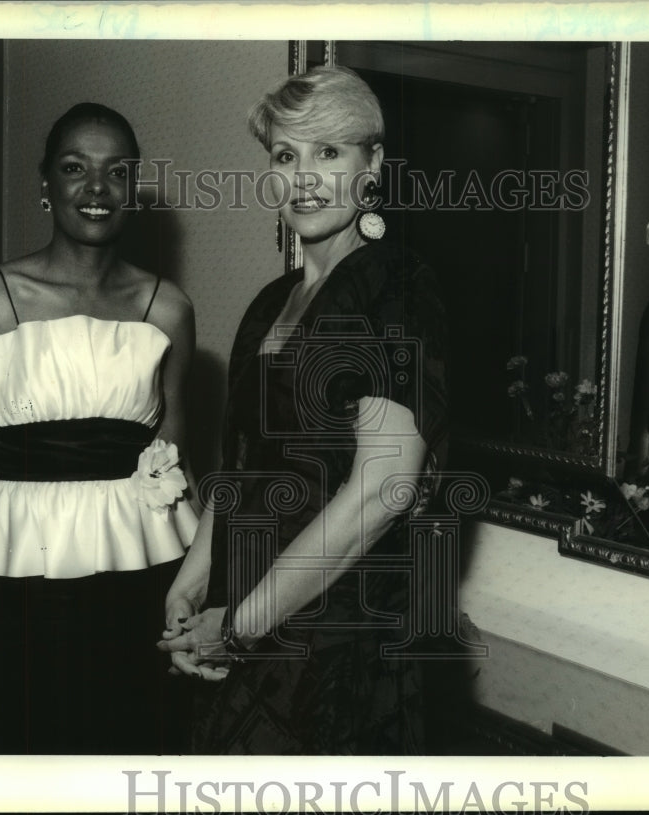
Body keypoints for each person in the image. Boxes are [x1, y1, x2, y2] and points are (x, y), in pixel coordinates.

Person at [158, 66, 448, 754]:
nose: (306, 176)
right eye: (287, 155)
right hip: (241, 610)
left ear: (373, 163)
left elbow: (382, 491)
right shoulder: (268, 303)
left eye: (330, 151)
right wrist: (189, 587)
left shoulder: (396, 286)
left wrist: (240, 624)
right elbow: (240, 467)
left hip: (333, 632)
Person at [0, 102, 198, 754]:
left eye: (116, 172)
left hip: (146, 578)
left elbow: (178, 467)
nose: (96, 188)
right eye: (74, 168)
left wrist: (194, 610)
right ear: (45, 183)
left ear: (132, 188)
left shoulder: (166, 308)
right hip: (27, 583)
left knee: (143, 754)